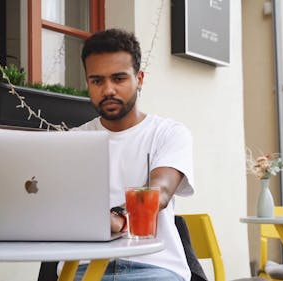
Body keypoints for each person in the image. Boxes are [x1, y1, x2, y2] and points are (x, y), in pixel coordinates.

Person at [69, 28, 195, 280]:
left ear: (140, 78)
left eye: (118, 79)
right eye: (97, 81)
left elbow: (160, 191)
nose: (108, 90)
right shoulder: (72, 141)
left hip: (156, 267)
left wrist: (119, 218)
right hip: (82, 268)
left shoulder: (169, 133)